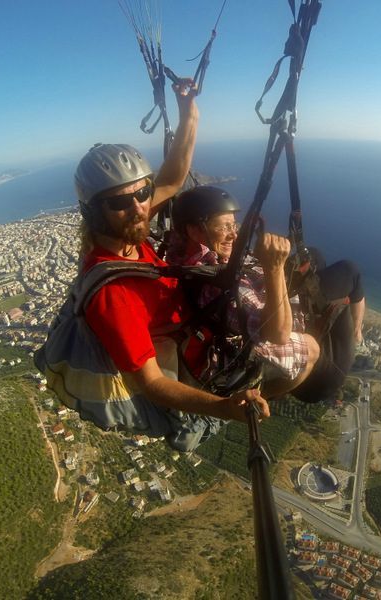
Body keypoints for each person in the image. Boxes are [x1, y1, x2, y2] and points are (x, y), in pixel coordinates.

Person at [73, 80, 268, 451]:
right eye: (119, 202)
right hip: (192, 372)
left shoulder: (129, 232)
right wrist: (224, 408)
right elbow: (151, 382)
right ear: (93, 212)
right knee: (306, 362)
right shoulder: (112, 292)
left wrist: (187, 109)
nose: (139, 208)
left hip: (195, 337)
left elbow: (174, 176)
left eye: (143, 193)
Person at [168, 185, 366, 403]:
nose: (234, 234)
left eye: (234, 225)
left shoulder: (182, 254)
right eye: (225, 227)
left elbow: (172, 189)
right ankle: (357, 333)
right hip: (319, 379)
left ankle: (326, 318)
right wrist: (274, 267)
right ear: (195, 231)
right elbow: (278, 334)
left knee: (314, 257)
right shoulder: (222, 288)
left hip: (272, 305)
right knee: (351, 272)